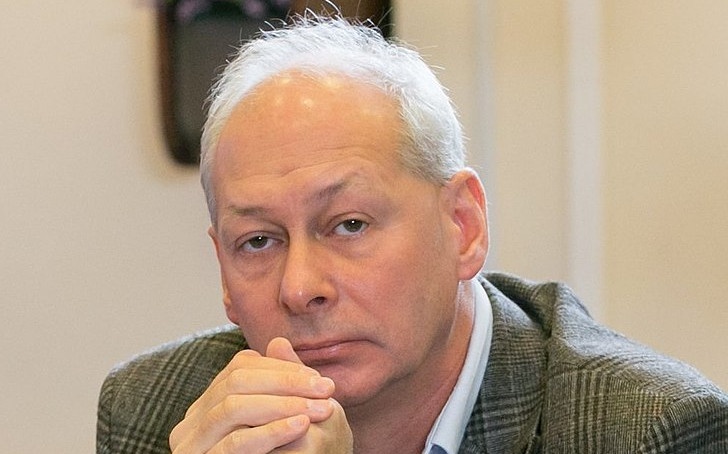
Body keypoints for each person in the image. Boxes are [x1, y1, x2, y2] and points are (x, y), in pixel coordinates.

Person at [97, 14, 728, 454]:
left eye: (349, 225)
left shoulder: (646, 430)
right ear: (223, 272)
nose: (300, 288)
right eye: (258, 241)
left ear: (463, 227)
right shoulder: (157, 411)